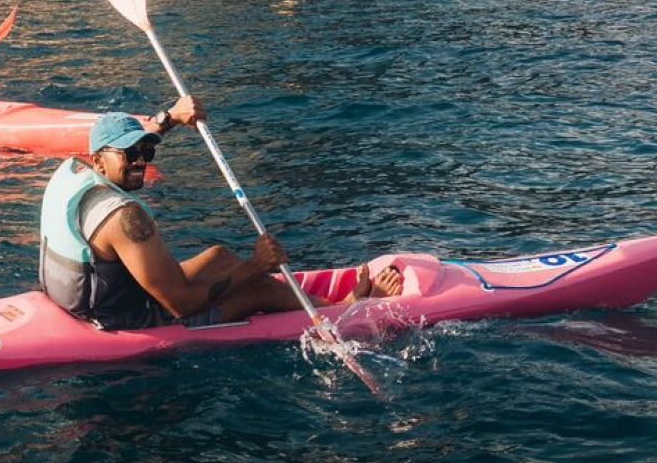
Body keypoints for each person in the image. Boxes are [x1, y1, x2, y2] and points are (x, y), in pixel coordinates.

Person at [39, 104, 402, 329]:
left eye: (146, 151)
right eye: (129, 154)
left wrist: (171, 118)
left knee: (219, 256)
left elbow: (132, 143)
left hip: (85, 301)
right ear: (99, 160)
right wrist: (255, 267)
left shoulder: (75, 174)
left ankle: (329, 305)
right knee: (254, 288)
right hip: (123, 319)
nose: (139, 161)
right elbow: (179, 305)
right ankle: (347, 313)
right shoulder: (127, 218)